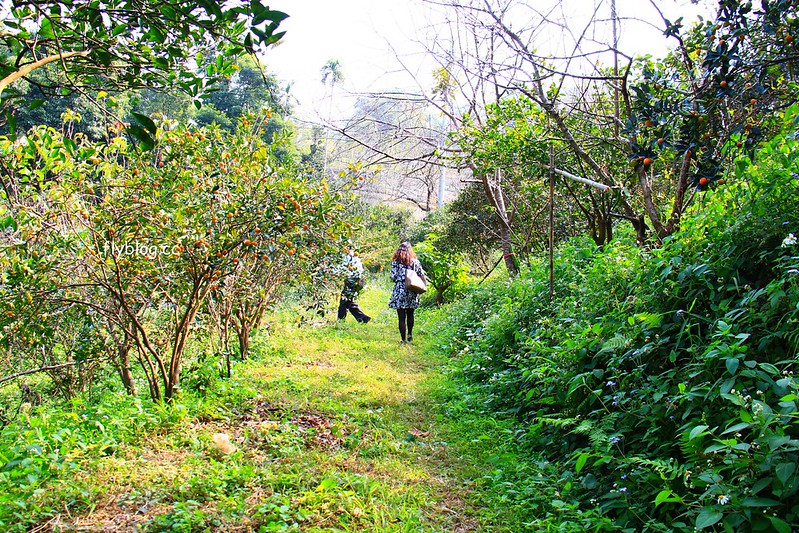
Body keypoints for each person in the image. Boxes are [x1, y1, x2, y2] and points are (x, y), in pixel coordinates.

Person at [388, 241, 426, 343]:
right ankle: (410, 334)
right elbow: (421, 274)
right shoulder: (415, 262)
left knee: (401, 317)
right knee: (410, 313)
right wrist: (424, 285)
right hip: (412, 289)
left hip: (400, 290)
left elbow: (393, 277)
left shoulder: (396, 262)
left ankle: (403, 339)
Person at [337, 249, 371, 323]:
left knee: (345, 299)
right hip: (355, 280)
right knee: (348, 300)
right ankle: (363, 318)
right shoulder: (354, 257)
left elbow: (343, 268)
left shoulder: (350, 257)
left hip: (352, 280)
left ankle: (340, 320)